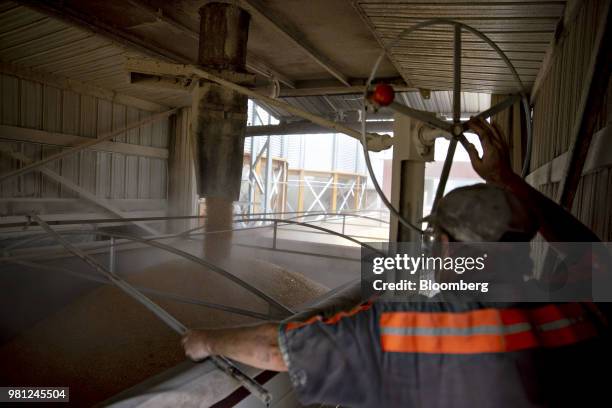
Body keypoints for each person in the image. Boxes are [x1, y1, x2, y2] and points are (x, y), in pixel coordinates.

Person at [182, 118, 609, 407]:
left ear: (445, 247)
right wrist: (508, 180)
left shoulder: (419, 328)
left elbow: (279, 349)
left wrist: (205, 341)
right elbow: (591, 250)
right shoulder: (578, 307)